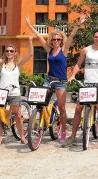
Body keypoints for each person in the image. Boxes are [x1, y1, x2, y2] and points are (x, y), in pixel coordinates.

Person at [26, 13, 86, 142]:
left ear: (61, 40)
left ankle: (63, 131)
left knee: (62, 108)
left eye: (58, 39)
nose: (56, 41)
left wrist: (78, 24)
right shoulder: (49, 50)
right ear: (51, 40)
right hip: (49, 80)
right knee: (40, 103)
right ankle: (41, 124)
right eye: (54, 39)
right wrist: (30, 26)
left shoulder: (64, 50)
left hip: (61, 82)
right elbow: (39, 36)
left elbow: (71, 36)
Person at [0, 32, 34, 146]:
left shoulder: (18, 64)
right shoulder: (1, 63)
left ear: (15, 53)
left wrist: (30, 40)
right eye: (7, 51)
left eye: (11, 51)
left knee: (18, 116)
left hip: (14, 93)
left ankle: (22, 136)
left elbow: (30, 53)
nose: (9, 52)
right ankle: (0, 138)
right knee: (0, 117)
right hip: (1, 93)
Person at [63, 30, 98, 147]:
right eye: (96, 36)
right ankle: (73, 136)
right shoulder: (86, 50)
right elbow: (78, 64)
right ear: (93, 37)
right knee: (78, 108)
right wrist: (73, 75)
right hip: (87, 83)